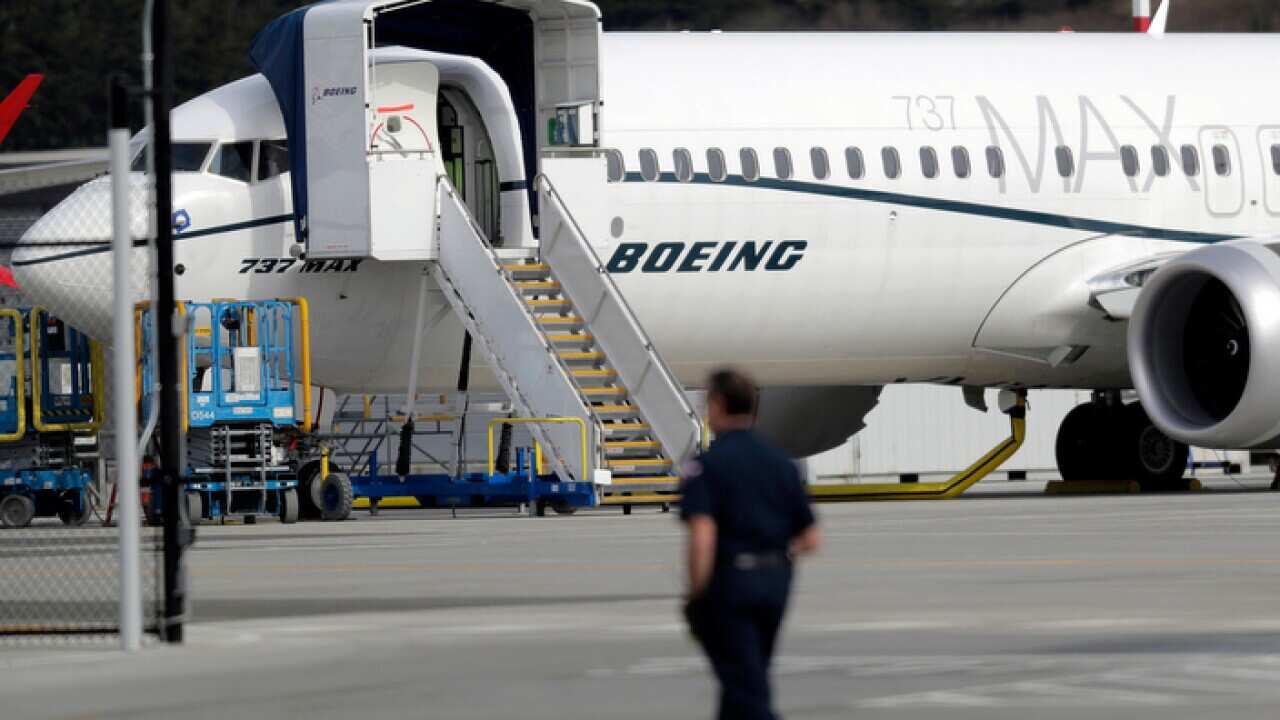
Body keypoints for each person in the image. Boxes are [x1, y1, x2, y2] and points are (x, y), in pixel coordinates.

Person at [680, 368, 822, 720]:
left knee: (746, 688)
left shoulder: (707, 466)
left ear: (718, 405)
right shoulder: (782, 464)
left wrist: (697, 594)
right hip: (776, 582)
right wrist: (774, 555)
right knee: (746, 676)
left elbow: (702, 534)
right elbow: (811, 538)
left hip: (732, 584)